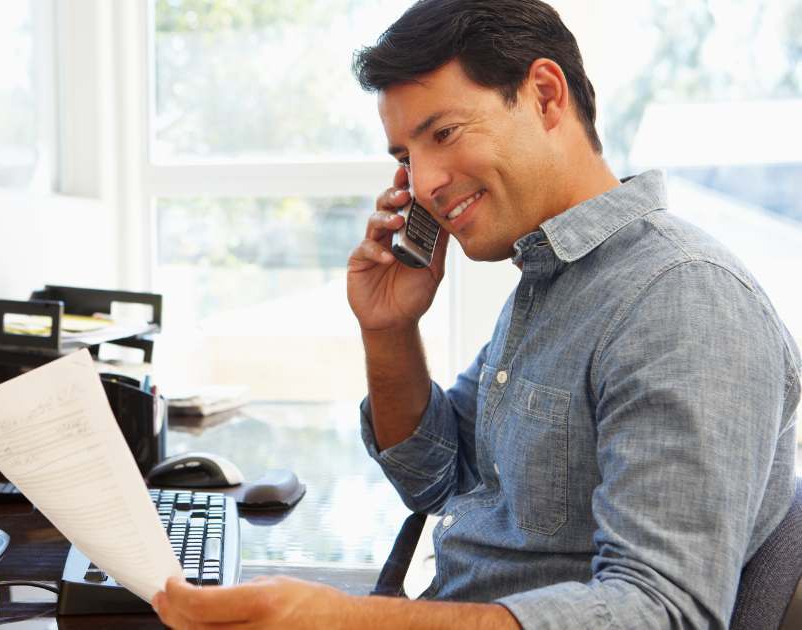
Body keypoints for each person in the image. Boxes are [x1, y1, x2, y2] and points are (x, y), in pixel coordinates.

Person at [152, 0, 801, 627]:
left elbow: (661, 613)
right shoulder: (554, 283)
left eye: (443, 133)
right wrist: (388, 329)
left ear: (546, 96)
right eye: (406, 158)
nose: (426, 182)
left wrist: (352, 622)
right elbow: (435, 476)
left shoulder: (679, 302)